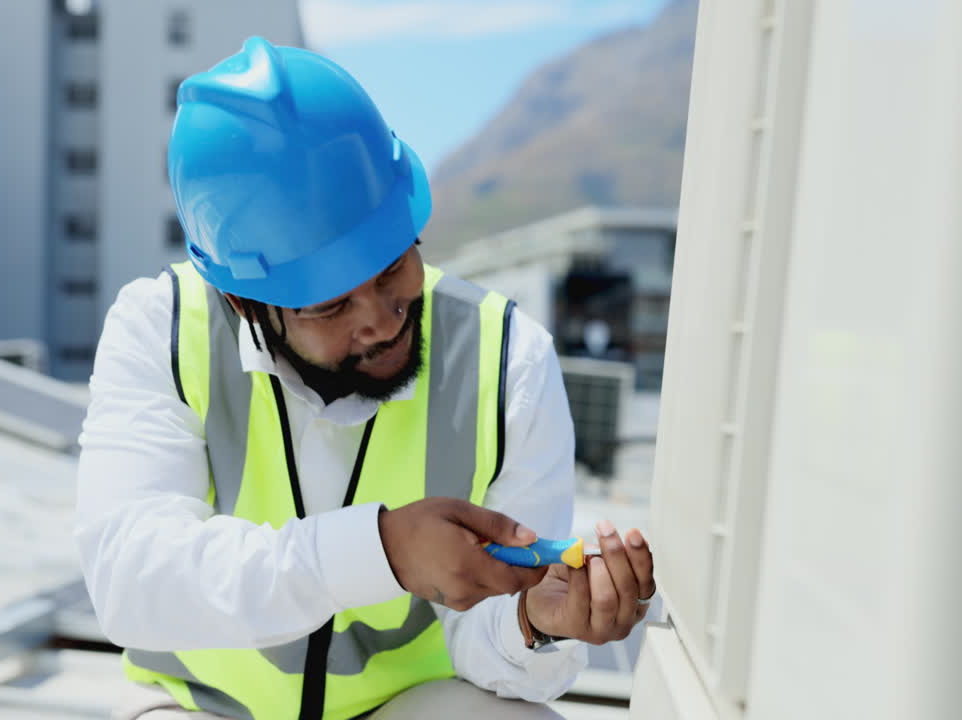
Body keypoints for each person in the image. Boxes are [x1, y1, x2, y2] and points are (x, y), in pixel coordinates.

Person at [74, 37, 657, 720]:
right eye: (329, 303)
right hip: (204, 709)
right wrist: (381, 551)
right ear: (242, 301)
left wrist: (534, 621)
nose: (381, 320)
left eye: (390, 268)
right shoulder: (161, 329)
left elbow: (489, 646)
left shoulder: (509, 358)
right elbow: (131, 581)